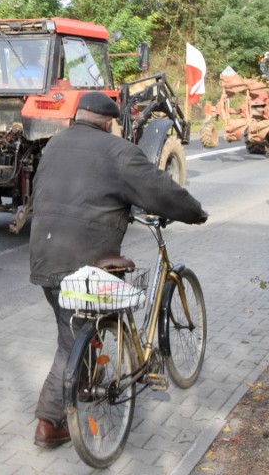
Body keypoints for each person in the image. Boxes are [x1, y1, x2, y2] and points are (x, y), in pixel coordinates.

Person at [29, 91, 208, 448]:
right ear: (109, 123)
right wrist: (195, 212)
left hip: (44, 255)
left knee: (77, 325)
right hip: (84, 263)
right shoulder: (119, 152)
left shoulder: (55, 145)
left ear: (76, 117)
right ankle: (49, 423)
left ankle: (79, 385)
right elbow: (162, 191)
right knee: (71, 340)